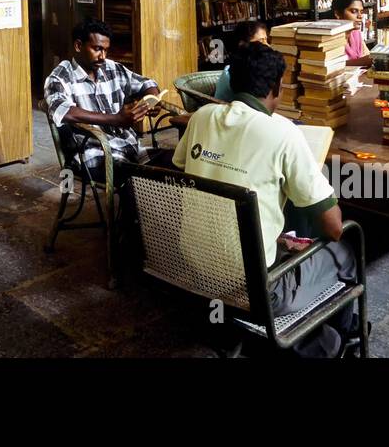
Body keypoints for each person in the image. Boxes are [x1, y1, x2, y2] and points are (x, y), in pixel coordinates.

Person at [174, 42, 358, 357]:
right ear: (277, 87)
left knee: (288, 241)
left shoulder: (201, 117)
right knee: (346, 248)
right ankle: (333, 342)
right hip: (259, 290)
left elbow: (183, 167)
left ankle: (316, 337)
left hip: (195, 270)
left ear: (231, 83)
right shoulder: (284, 133)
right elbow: (333, 226)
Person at [43, 19, 183, 184]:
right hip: (94, 155)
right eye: (97, 49)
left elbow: (147, 83)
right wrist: (116, 119)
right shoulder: (60, 77)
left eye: (106, 50)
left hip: (130, 148)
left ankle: (160, 208)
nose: (103, 56)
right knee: (138, 179)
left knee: (179, 163)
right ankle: (134, 209)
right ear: (78, 46)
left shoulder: (111, 68)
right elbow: (62, 110)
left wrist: (152, 100)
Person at [213, 19, 269, 100]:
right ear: (243, 45)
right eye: (261, 41)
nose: (267, 46)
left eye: (266, 40)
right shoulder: (231, 74)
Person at [331, 0, 371, 66]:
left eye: (361, 12)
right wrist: (362, 62)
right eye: (354, 11)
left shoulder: (356, 33)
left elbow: (367, 56)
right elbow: (332, 66)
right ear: (338, 14)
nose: (360, 16)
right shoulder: (330, 40)